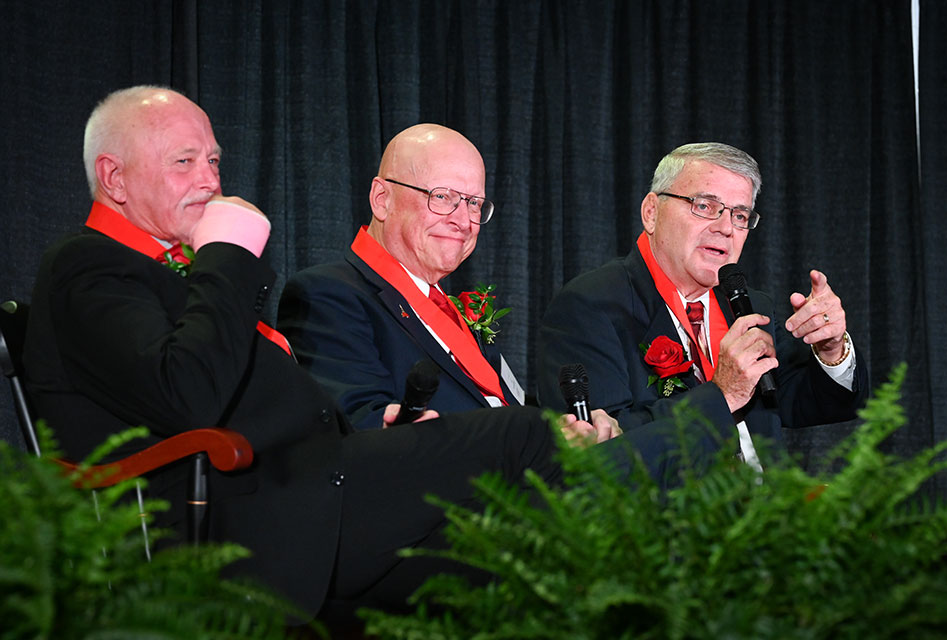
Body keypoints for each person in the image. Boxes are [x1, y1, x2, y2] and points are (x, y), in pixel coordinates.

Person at [21, 86, 574, 625]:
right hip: (244, 518)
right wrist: (227, 254)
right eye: (184, 162)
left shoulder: (182, 270)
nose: (210, 180)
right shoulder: (87, 264)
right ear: (115, 178)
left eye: (214, 160)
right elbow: (186, 393)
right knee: (525, 434)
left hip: (306, 492)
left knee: (503, 563)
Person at [537, 142, 869, 483]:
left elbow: (819, 402)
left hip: (767, 514)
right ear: (651, 212)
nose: (726, 227)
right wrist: (722, 395)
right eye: (705, 206)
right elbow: (609, 459)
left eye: (739, 215)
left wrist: (831, 351)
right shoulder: (590, 307)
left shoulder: (748, 306)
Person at [276, 125, 524, 427]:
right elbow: (363, 423)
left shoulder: (447, 308)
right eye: (442, 196)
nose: (462, 221)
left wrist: (557, 427)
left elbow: (497, 402)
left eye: (473, 203)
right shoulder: (328, 295)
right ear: (382, 199)